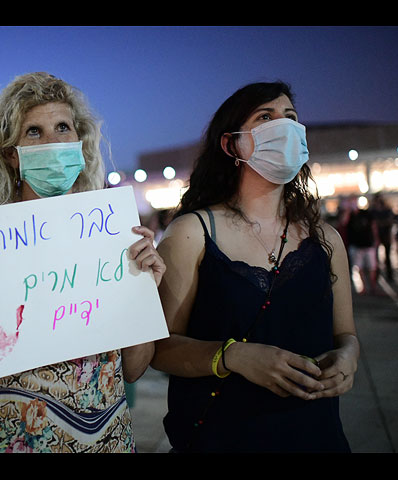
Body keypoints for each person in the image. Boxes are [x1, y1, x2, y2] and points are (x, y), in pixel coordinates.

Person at [0, 72, 165, 453]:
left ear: (79, 143)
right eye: (33, 132)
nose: (52, 141)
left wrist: (145, 291)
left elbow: (133, 368)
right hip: (6, 442)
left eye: (63, 127)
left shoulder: (112, 237)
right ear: (11, 154)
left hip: (103, 440)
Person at [150, 81, 359, 453]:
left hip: (317, 434)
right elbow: (160, 348)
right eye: (266, 117)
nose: (285, 126)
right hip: (223, 436)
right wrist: (234, 356)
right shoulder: (191, 233)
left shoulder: (326, 239)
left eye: (291, 118)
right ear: (232, 145)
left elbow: (346, 333)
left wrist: (348, 357)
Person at [346, 200, 379, 294]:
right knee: (358, 267)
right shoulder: (350, 215)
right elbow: (343, 222)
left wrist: (376, 239)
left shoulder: (366, 214)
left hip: (368, 244)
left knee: (372, 266)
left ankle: (373, 287)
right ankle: (362, 287)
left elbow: (373, 226)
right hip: (356, 245)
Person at [370, 193, 394, 282]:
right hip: (376, 236)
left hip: (385, 235)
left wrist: (379, 223)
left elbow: (390, 221)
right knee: (376, 258)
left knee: (387, 256)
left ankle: (389, 275)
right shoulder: (373, 211)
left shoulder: (386, 209)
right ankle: (378, 275)